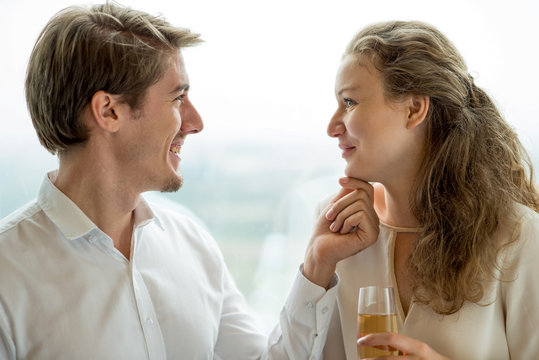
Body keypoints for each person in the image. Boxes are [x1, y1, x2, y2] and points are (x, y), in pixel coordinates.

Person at [0, 3, 366, 359]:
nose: (195, 122)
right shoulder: (8, 274)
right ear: (109, 111)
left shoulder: (192, 243)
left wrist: (317, 266)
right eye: (178, 98)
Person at [310, 20, 539, 359]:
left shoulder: (518, 235)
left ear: (414, 109)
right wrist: (317, 266)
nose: (332, 126)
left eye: (349, 102)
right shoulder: (336, 227)